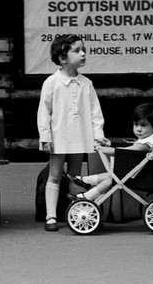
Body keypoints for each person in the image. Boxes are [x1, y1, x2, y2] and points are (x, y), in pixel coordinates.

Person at [37, 34, 108, 231]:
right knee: (55, 175)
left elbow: (95, 113)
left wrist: (98, 134)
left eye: (83, 49)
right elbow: (44, 112)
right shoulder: (52, 82)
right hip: (59, 137)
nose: (83, 54)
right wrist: (45, 136)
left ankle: (74, 212)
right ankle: (50, 216)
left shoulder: (87, 84)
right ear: (62, 58)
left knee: (75, 176)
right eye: (77, 51)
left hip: (80, 137)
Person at [65, 103, 153, 201]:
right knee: (112, 176)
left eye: (144, 125)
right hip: (144, 174)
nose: (138, 129)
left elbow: (128, 151)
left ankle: (88, 195)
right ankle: (86, 182)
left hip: (145, 177)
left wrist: (104, 150)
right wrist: (110, 144)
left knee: (113, 178)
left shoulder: (147, 144)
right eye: (136, 124)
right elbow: (131, 147)